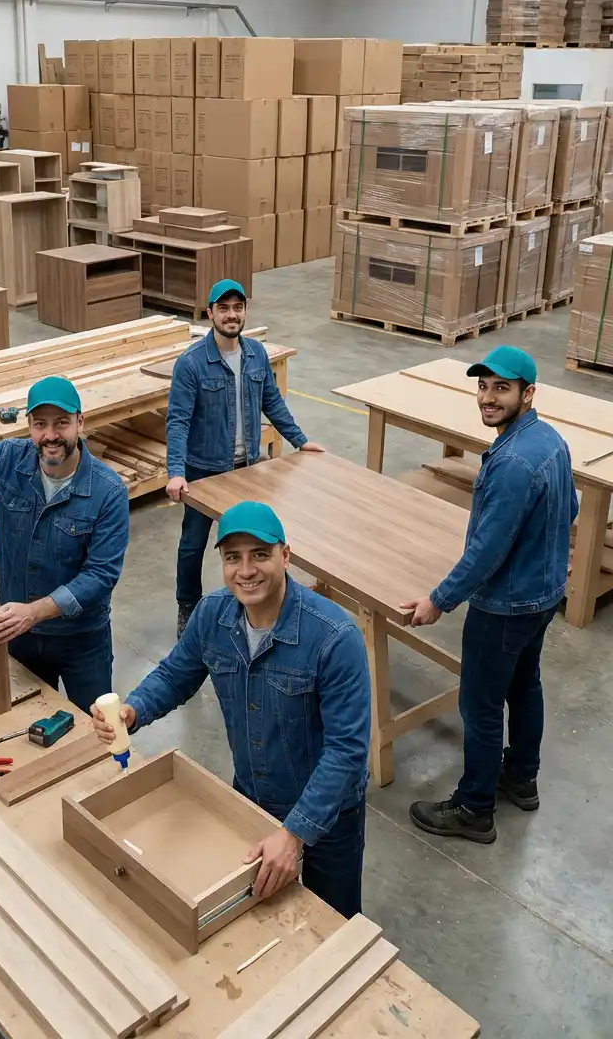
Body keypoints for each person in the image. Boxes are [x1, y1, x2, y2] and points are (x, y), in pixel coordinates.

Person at [91, 500, 371, 918]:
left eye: (260, 554)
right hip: (253, 796)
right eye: (233, 558)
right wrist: (134, 710)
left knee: (333, 921)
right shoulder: (212, 616)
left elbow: (347, 752)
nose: (246, 570)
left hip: (329, 815)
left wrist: (295, 834)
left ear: (286, 556)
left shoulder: (334, 638)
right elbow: (175, 675)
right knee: (258, 920)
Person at [401, 346, 577, 845]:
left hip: (505, 605)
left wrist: (439, 599)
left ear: (528, 393)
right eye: (482, 387)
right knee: (524, 685)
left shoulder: (513, 461)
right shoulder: (550, 440)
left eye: (501, 388)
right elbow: (571, 506)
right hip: (543, 596)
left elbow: (487, 550)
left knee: (480, 705)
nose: (487, 398)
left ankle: (474, 808)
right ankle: (521, 779)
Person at [0, 375, 130, 714]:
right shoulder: (5, 459)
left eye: (61, 423)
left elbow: (100, 576)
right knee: (28, 721)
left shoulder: (108, 492)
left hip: (81, 639)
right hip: (18, 634)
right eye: (40, 424)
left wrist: (33, 612)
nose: (50, 435)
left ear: (80, 422)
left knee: (97, 726)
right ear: (29, 425)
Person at [166, 278, 324, 635]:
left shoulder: (256, 354)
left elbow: (272, 402)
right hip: (203, 470)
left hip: (247, 468)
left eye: (237, 308)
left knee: (249, 540)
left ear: (245, 312)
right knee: (192, 544)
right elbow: (177, 421)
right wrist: (176, 472)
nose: (231, 315)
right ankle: (187, 605)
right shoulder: (191, 363)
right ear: (210, 314)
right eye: (223, 308)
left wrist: (300, 441)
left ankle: (250, 601)